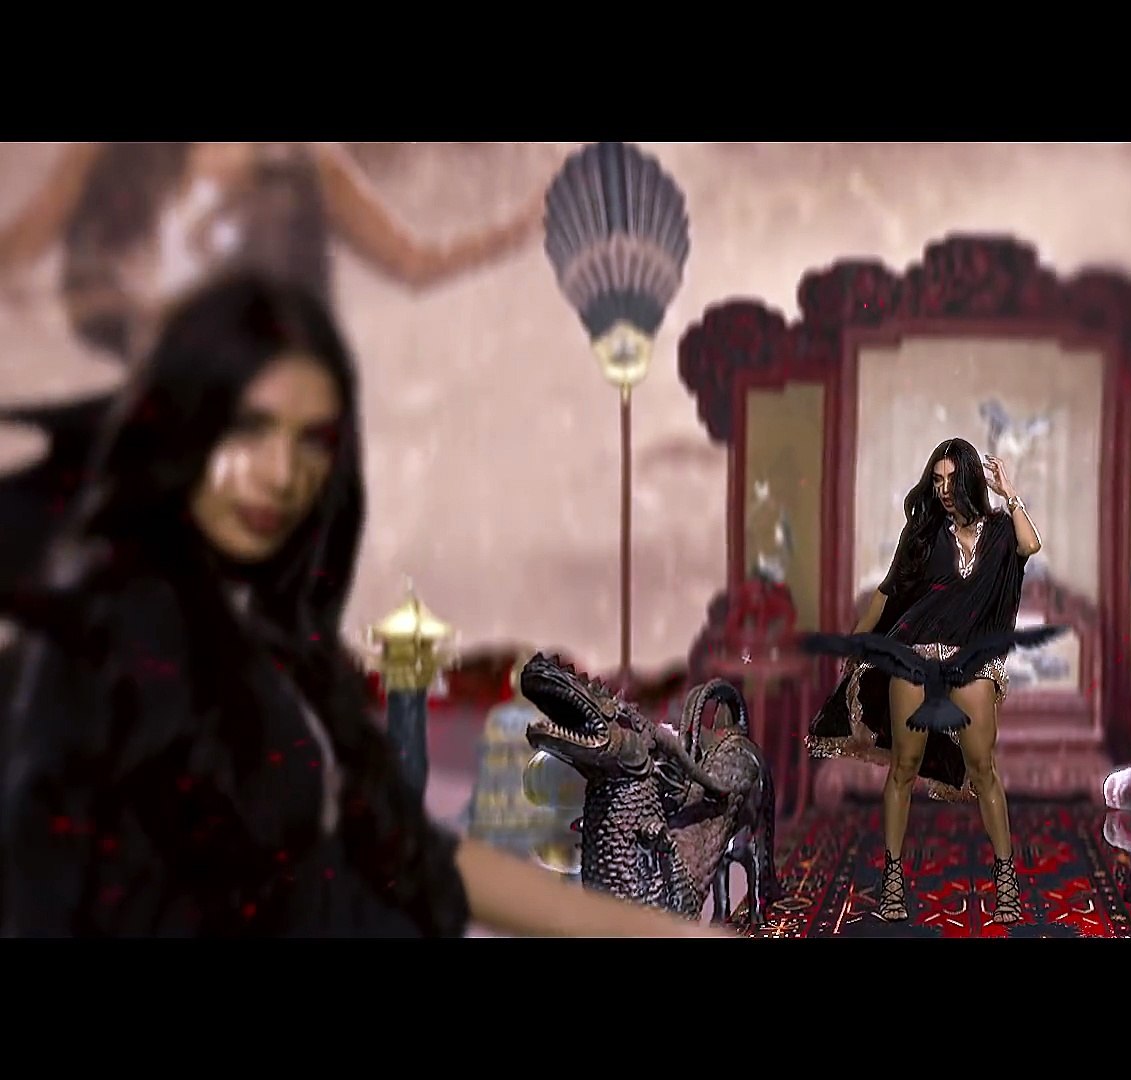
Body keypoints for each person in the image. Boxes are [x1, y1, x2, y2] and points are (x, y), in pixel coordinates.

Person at [0, 273, 732, 938]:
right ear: (188, 425)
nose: (281, 473)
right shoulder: (106, 638)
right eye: (250, 428)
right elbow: (38, 891)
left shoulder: (271, 638)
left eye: (312, 442)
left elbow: (413, 858)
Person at [805, 438, 1043, 925]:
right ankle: (892, 876)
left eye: (952, 479)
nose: (944, 490)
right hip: (913, 656)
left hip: (972, 662)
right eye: (937, 481)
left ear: (971, 478)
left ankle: (1005, 877)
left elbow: (1030, 545)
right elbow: (886, 594)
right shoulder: (923, 533)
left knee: (982, 769)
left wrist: (1010, 492)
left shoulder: (1001, 532)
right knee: (903, 768)